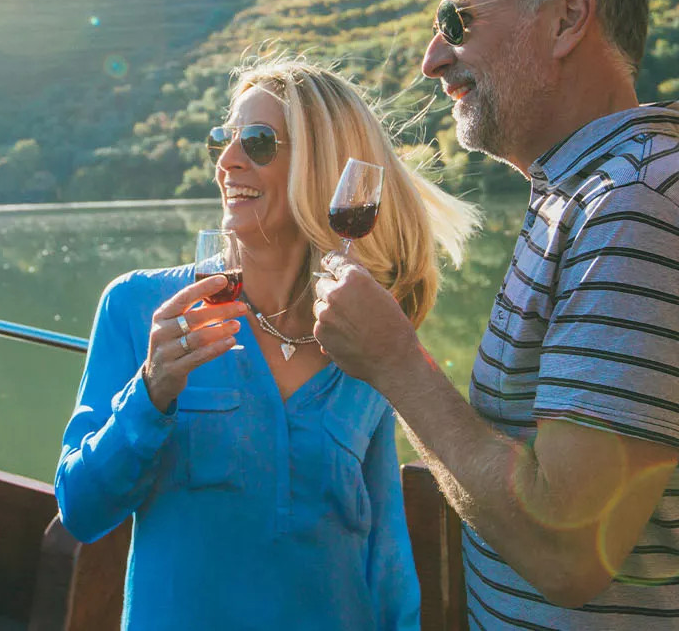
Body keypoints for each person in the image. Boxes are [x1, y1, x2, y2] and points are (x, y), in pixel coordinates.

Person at [312, 0, 679, 629]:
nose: (433, 59)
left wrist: (396, 364)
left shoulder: (636, 210)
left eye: (459, 22)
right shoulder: (585, 198)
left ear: (568, 19)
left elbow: (567, 549)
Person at [55, 56, 479, 629]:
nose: (227, 160)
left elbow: (386, 557)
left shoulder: (368, 334)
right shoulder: (140, 308)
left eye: (256, 142)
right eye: (221, 140)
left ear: (322, 168)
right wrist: (151, 391)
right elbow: (81, 511)